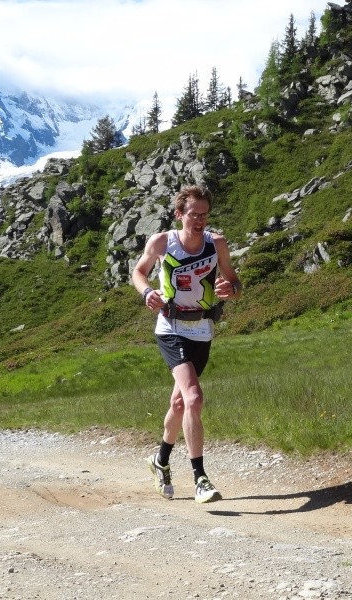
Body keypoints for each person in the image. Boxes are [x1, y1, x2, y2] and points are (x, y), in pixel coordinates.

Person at [132, 184, 242, 504]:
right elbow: (139, 272)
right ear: (179, 214)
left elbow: (235, 281)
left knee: (180, 404)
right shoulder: (163, 242)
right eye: (194, 215)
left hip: (202, 329)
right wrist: (146, 292)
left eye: (205, 215)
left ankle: (160, 460)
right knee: (194, 397)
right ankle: (200, 478)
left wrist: (231, 290)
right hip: (170, 327)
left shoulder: (216, 243)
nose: (200, 221)